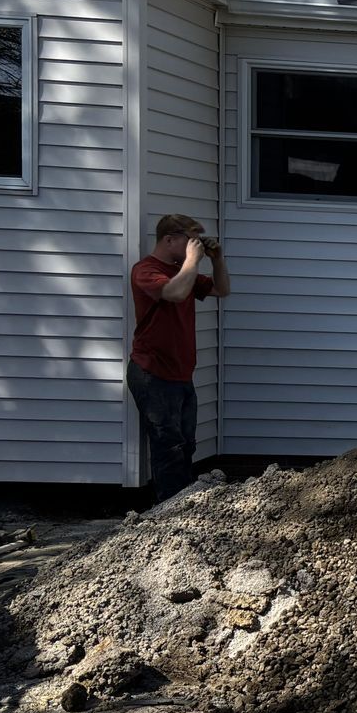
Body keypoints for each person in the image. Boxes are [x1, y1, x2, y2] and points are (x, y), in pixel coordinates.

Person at [128, 213, 230, 502]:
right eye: (190, 239)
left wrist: (217, 259)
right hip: (152, 372)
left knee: (186, 445)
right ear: (169, 239)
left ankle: (182, 507)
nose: (194, 245)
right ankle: (168, 512)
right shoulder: (145, 270)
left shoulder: (183, 269)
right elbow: (174, 293)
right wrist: (193, 261)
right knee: (168, 446)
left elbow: (222, 290)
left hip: (181, 372)